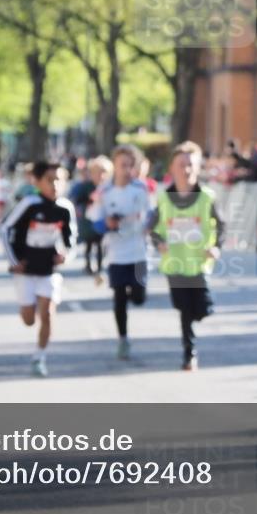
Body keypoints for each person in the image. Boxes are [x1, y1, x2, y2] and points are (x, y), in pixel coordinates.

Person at [151, 141, 223, 370]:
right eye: (181, 165)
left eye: (191, 164)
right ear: (172, 168)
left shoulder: (207, 197)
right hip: (174, 262)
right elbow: (153, 228)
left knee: (201, 309)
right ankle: (189, 353)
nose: (186, 169)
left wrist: (216, 246)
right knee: (184, 309)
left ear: (198, 167)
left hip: (199, 262)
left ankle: (197, 317)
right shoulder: (164, 198)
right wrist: (159, 243)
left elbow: (221, 225)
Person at [1, 161, 76, 378]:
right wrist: (14, 260)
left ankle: (39, 357)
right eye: (49, 180)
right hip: (25, 269)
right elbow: (5, 228)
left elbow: (71, 238)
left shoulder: (65, 208)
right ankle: (28, 307)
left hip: (48, 269)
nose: (54, 185)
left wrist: (66, 255)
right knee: (29, 320)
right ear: (38, 182)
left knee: (48, 314)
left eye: (59, 180)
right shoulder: (29, 204)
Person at [95, 145, 151, 360]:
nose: (126, 170)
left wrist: (149, 227)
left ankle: (134, 292)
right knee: (119, 297)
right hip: (116, 253)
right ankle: (123, 339)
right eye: (122, 165)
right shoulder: (105, 191)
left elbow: (151, 213)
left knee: (138, 297)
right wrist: (107, 223)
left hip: (138, 252)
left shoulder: (140, 188)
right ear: (114, 166)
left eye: (130, 166)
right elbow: (96, 222)